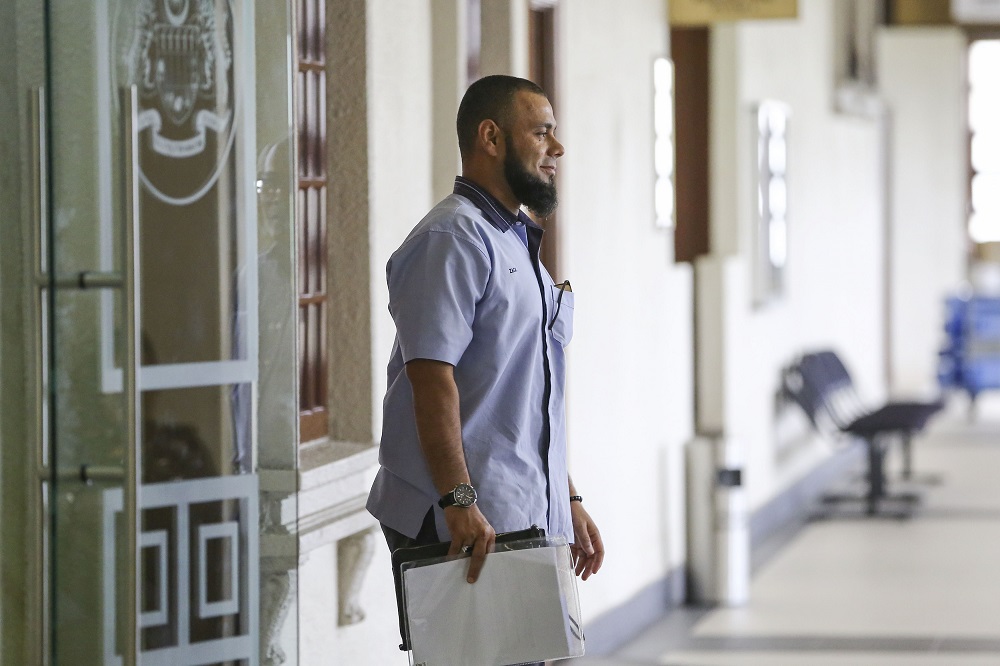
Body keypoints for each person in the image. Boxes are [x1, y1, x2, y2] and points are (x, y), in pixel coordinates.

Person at [366, 74, 604, 650]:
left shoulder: (515, 244)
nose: (557, 148)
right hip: (458, 518)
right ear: (491, 137)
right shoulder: (452, 238)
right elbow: (431, 379)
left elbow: (523, 395)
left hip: (520, 513)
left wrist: (566, 497)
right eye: (542, 132)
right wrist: (458, 501)